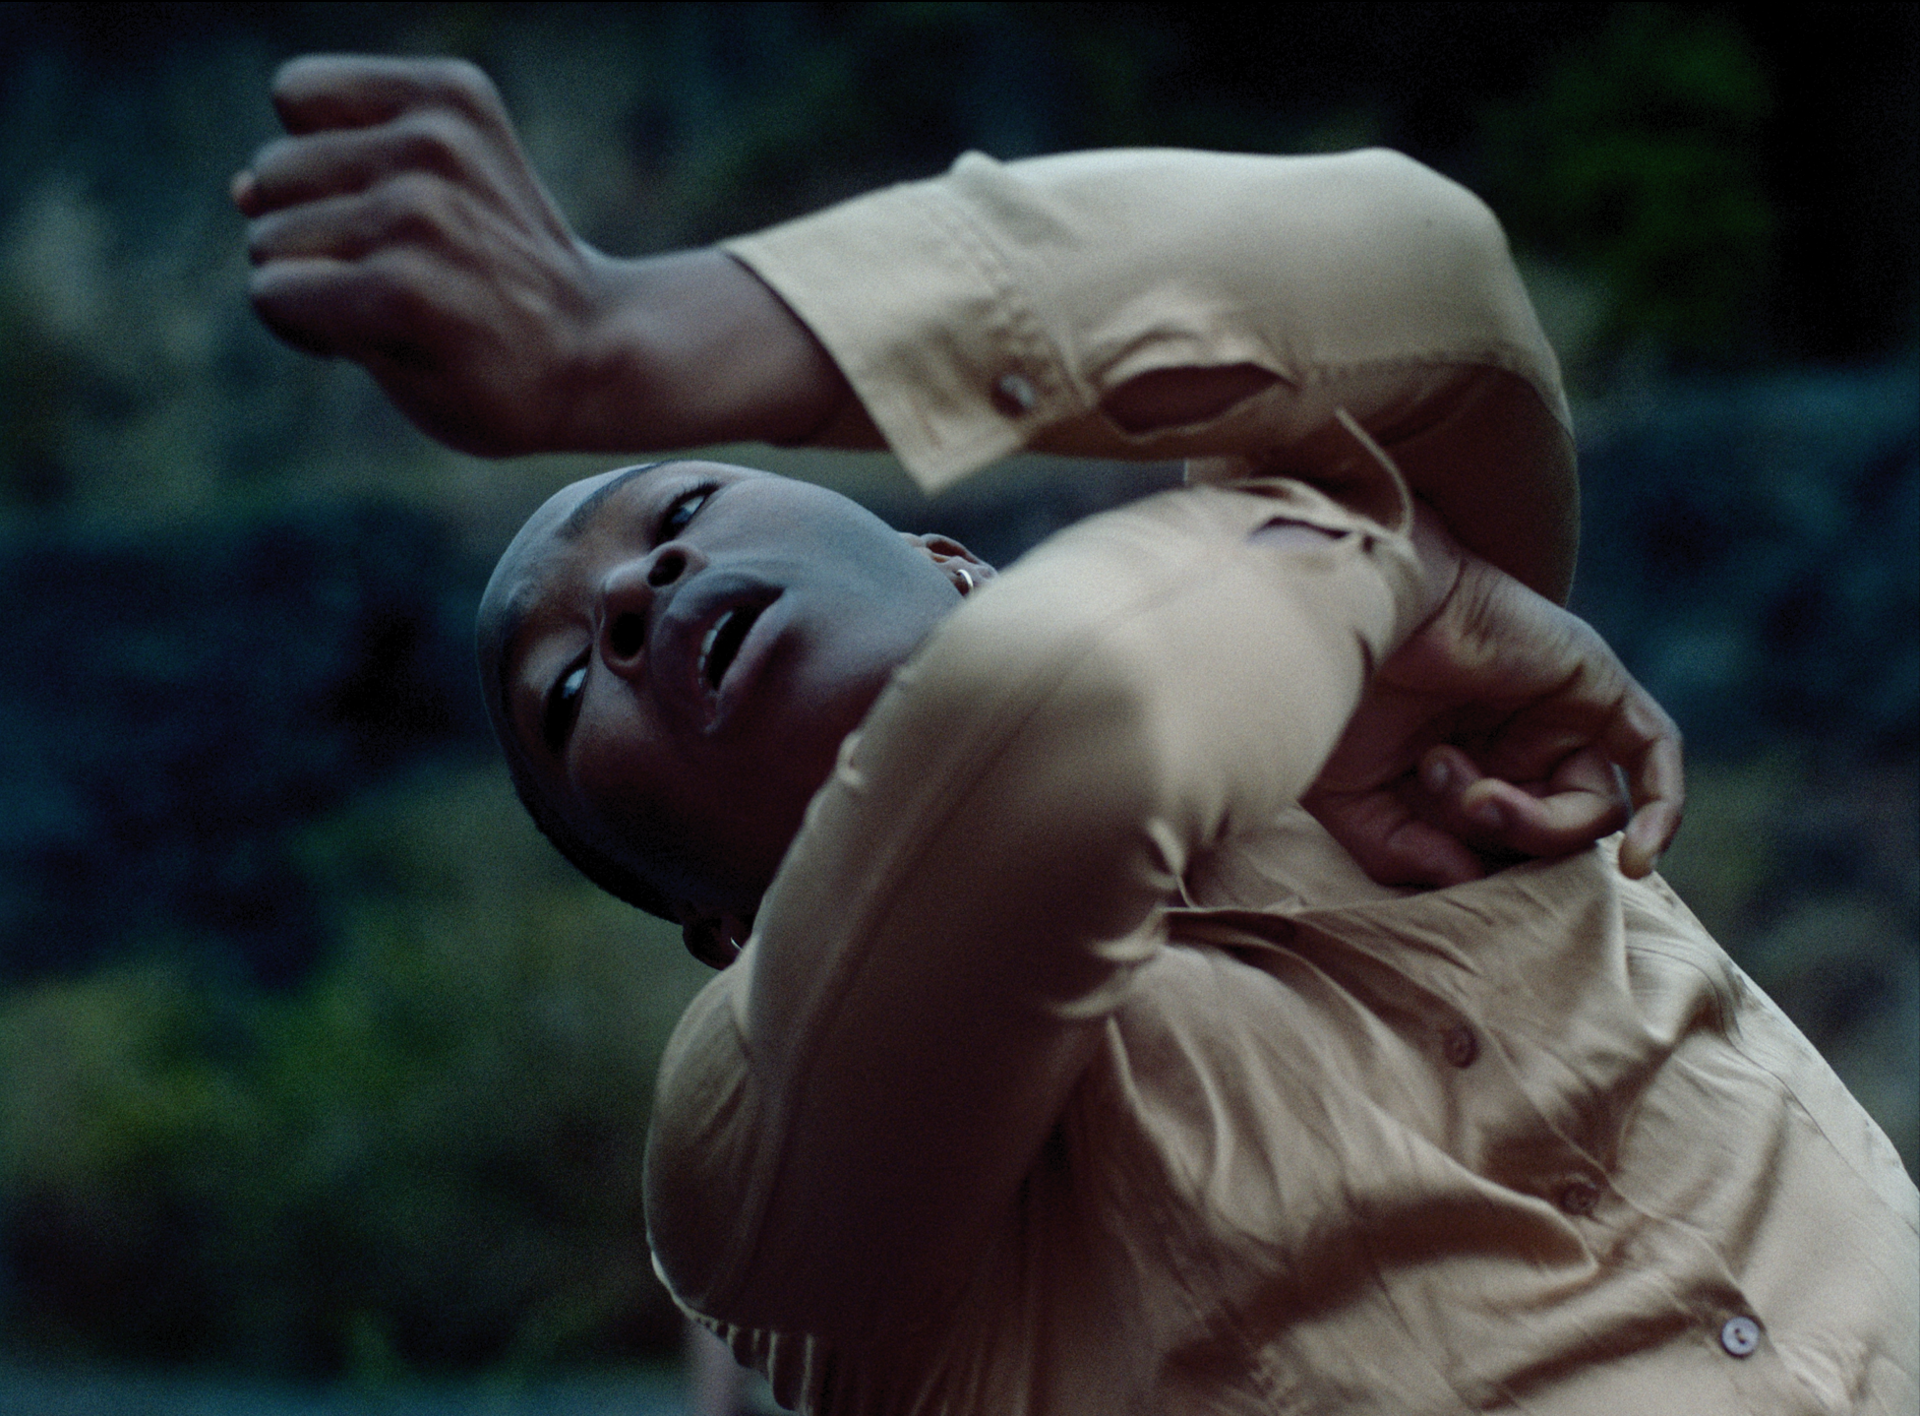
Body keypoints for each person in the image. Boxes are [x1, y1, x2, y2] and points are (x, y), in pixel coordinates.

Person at [235, 57, 1917, 1416]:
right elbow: (1055, 722)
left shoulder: (1417, 717)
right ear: (722, 931)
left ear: (950, 552)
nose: (633, 595)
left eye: (680, 503)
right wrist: (1369, 574)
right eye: (564, 694)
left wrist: (645, 336)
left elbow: (1420, 270)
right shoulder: (766, 1156)